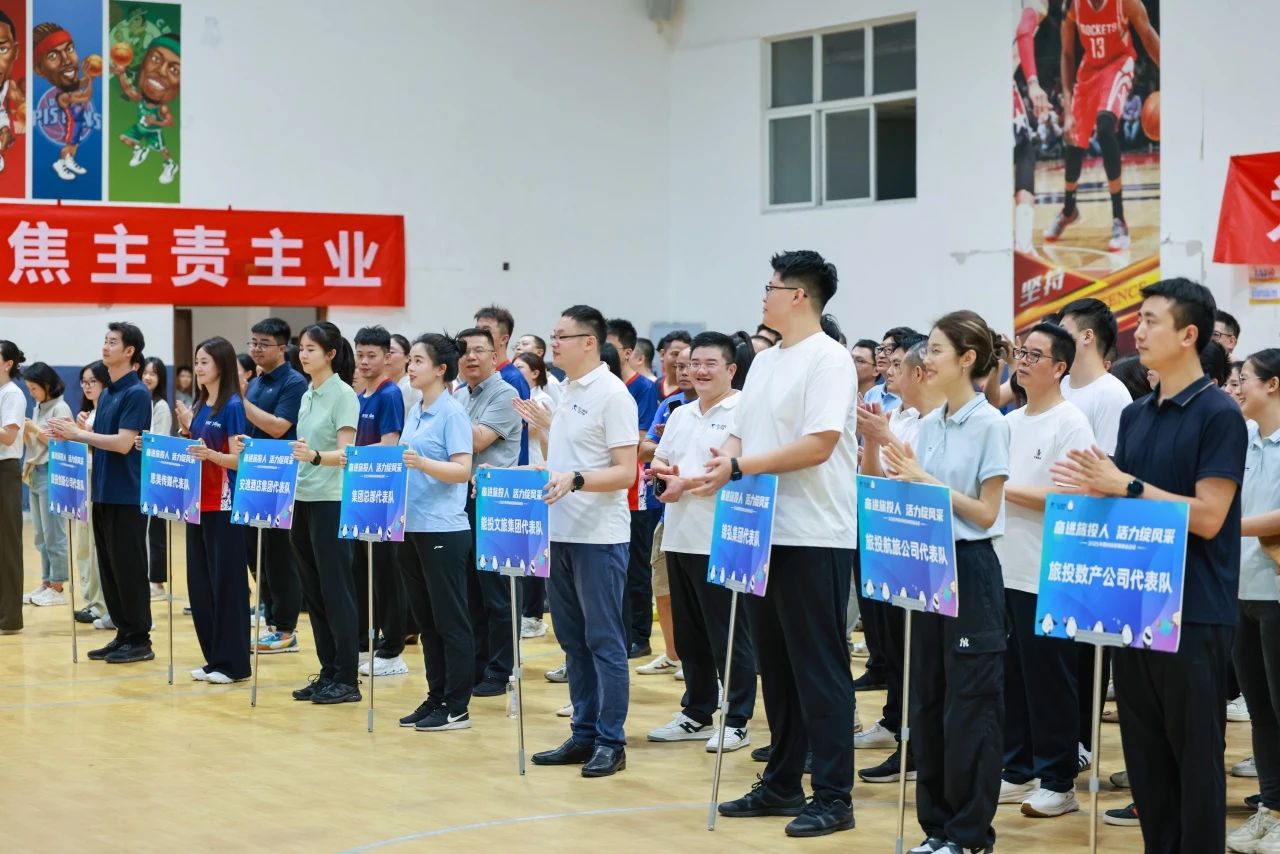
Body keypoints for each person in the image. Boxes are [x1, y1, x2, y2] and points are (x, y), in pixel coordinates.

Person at [1052, 278, 1246, 852]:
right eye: (1140, 319)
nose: (1138, 330)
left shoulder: (1219, 414)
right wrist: (1092, 492)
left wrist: (1126, 485)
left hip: (1196, 611)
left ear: (1189, 335)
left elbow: (1209, 517)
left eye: (1152, 320)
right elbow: (1123, 501)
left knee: (1196, 764)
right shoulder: (1136, 415)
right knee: (1147, 763)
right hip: (1133, 606)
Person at [707, 251, 858, 838]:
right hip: (762, 532)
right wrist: (705, 473)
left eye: (770, 287)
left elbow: (820, 444)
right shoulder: (766, 361)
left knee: (820, 669)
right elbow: (739, 437)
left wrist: (739, 466)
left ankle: (834, 796)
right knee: (777, 666)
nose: (763, 295)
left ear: (797, 295)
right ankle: (781, 782)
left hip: (815, 533)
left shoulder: (829, 359)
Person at [883, 311, 1011, 853]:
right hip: (927, 565)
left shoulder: (991, 424)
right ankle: (936, 828)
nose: (925, 359)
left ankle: (969, 834)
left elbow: (986, 512)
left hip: (971, 568)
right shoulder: (930, 423)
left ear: (967, 359)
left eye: (936, 350)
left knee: (970, 706)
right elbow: (918, 495)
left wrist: (925, 481)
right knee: (928, 701)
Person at [524, 304, 638, 779]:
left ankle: (612, 741)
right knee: (572, 641)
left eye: (562, 336)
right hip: (560, 531)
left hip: (598, 536)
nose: (553, 344)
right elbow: (565, 459)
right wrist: (545, 456)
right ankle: (583, 732)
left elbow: (626, 472)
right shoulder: (566, 391)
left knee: (604, 641)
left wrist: (575, 479)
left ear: (589, 342)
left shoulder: (613, 395)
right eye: (553, 336)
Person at [994, 323, 1096, 819]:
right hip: (1003, 566)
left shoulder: (1071, 422)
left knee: (1050, 679)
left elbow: (1073, 495)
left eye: (1035, 355)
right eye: (1021, 352)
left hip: (1047, 571)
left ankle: (1058, 781)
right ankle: (1017, 770)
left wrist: (1000, 489)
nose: (1023, 361)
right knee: (1012, 676)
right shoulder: (1009, 421)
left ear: (1060, 367)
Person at [646, 331, 756, 753]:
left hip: (723, 538)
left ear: (731, 369)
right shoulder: (681, 413)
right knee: (690, 634)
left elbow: (729, 470)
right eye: (694, 364)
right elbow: (660, 457)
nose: (700, 371)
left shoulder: (744, 410)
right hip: (679, 534)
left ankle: (738, 718)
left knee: (728, 634)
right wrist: (662, 474)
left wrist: (682, 483)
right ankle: (696, 711)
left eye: (710, 364)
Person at [854, 333, 937, 784]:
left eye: (898, 365)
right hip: (887, 545)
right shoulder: (900, 416)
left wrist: (882, 436)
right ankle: (901, 733)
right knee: (894, 652)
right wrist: (872, 441)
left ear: (920, 372)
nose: (889, 369)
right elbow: (873, 479)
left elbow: (916, 479)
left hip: (921, 551)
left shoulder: (934, 422)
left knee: (917, 657)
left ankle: (918, 747)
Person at [49, 324, 154, 663]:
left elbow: (123, 444)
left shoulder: (136, 393)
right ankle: (123, 633)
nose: (106, 347)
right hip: (104, 492)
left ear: (130, 351)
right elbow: (100, 443)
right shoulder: (107, 393)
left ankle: (140, 639)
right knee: (109, 568)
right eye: (105, 341)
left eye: (113, 342)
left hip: (127, 495)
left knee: (129, 568)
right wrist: (72, 435)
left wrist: (79, 434)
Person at [396, 333, 475, 732]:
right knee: (427, 622)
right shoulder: (416, 409)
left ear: (441, 369)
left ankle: (457, 706)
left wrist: (423, 464)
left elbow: (462, 469)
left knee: (450, 621)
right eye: (410, 360)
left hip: (443, 528)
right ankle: (436, 696)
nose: (410, 367)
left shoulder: (452, 413)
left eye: (418, 361)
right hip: (411, 526)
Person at [1043, 0, 1159, 252]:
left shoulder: (1125, 3)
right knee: (1074, 140)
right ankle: (1069, 210)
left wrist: (1171, 76)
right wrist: (1068, 107)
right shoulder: (1072, 5)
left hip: (1118, 63)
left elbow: (1148, 35)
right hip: (1088, 71)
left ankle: (1119, 219)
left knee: (1105, 126)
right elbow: (1067, 54)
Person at [287, 322, 361, 705]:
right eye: (301, 348)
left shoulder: (344, 395)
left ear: (330, 354)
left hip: (331, 501)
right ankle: (328, 670)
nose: (303, 354)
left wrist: (315, 456)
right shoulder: (307, 394)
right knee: (314, 592)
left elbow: (347, 454)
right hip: (303, 499)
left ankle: (347, 677)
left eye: (311, 349)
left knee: (336, 591)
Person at [1226, 348, 1280, 853]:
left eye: (1244, 379)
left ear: (1273, 385)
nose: (1237, 388)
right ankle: (1272, 807)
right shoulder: (1243, 437)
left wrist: (1225, 526)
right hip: (1240, 589)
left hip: (1276, 592)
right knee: (1260, 711)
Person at [176, 337, 250, 684]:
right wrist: (183, 433)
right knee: (201, 585)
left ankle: (234, 664)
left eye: (204, 361)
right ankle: (215, 659)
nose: (198, 368)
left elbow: (239, 459)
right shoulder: (201, 403)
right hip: (196, 503)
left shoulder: (233, 405)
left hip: (223, 504)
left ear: (221, 364)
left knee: (227, 585)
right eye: (196, 361)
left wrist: (212, 456)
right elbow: (197, 447)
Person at [453, 326, 522, 698]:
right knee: (471, 590)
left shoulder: (505, 393)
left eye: (479, 350)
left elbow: (478, 440)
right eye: (464, 351)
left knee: (497, 592)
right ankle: (479, 664)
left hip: (495, 500)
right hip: (462, 498)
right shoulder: (459, 395)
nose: (471, 357)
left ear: (495, 356)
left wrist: (444, 419)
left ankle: (501, 669)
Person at [243, 318, 308, 655]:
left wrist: (242, 400)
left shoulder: (293, 382)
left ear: (282, 348)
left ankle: (285, 629)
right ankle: (270, 619)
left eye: (263, 343)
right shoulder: (257, 382)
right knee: (263, 555)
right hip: (255, 476)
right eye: (253, 342)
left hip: (282, 478)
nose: (256, 349)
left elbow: (280, 427)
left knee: (282, 556)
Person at [351, 326, 409, 679]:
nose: (364, 361)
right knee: (363, 570)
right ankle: (369, 640)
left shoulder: (389, 395)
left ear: (387, 357)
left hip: (383, 495)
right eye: (360, 355)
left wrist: (349, 454)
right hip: (359, 492)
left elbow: (390, 444)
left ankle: (393, 649)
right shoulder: (361, 396)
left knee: (386, 572)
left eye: (371, 355)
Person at [606, 317, 659, 658]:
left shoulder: (642, 388)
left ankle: (640, 635)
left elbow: (639, 443)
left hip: (635, 491)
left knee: (636, 567)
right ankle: (622, 632)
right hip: (605, 490)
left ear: (627, 352)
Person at [513, 349, 557, 639]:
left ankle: (534, 615)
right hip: (524, 473)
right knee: (523, 546)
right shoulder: (523, 400)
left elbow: (528, 432)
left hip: (540, 473)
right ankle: (527, 612)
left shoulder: (542, 401)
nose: (516, 372)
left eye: (521, 368)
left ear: (535, 372)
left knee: (536, 548)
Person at [21, 362, 72, 607]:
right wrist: (26, 430)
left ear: (47, 385)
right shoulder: (38, 407)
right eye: (29, 388)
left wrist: (32, 428)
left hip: (52, 471)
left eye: (34, 388)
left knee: (54, 532)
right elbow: (34, 442)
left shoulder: (60, 407)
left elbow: (59, 443)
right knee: (40, 535)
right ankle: (46, 581)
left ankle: (58, 585)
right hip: (35, 472)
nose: (31, 393)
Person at [71, 362, 110, 626]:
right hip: (83, 478)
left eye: (92, 381)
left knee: (96, 544)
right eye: (84, 381)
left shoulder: (107, 412)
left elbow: (105, 447)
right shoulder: (89, 414)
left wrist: (84, 434)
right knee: (83, 543)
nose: (87, 386)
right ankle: (91, 599)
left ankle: (101, 604)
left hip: (99, 478)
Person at [473, 305, 531, 463]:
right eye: (477, 330)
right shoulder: (474, 378)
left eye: (486, 331)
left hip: (503, 471)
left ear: (504, 339)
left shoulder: (513, 379)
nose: (479, 336)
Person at [0, 340, 25, 635]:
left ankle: (10, 618)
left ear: (8, 363)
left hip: (5, 471)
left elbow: (8, 436)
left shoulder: (13, 394)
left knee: (8, 544)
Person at [141, 356, 171, 598]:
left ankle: (157, 582)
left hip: (156, 473)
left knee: (155, 530)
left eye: (153, 373)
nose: (148, 377)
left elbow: (158, 441)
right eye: (145, 372)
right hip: (141, 472)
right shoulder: (141, 401)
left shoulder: (160, 406)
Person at [390, 333, 422, 417]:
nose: (386, 356)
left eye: (391, 352)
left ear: (407, 357)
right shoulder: (382, 387)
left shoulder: (411, 387)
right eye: (384, 352)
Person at [655, 330, 692, 402]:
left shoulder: (693, 391)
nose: (680, 360)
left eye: (686, 355)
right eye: (676, 354)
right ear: (662, 355)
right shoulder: (651, 387)